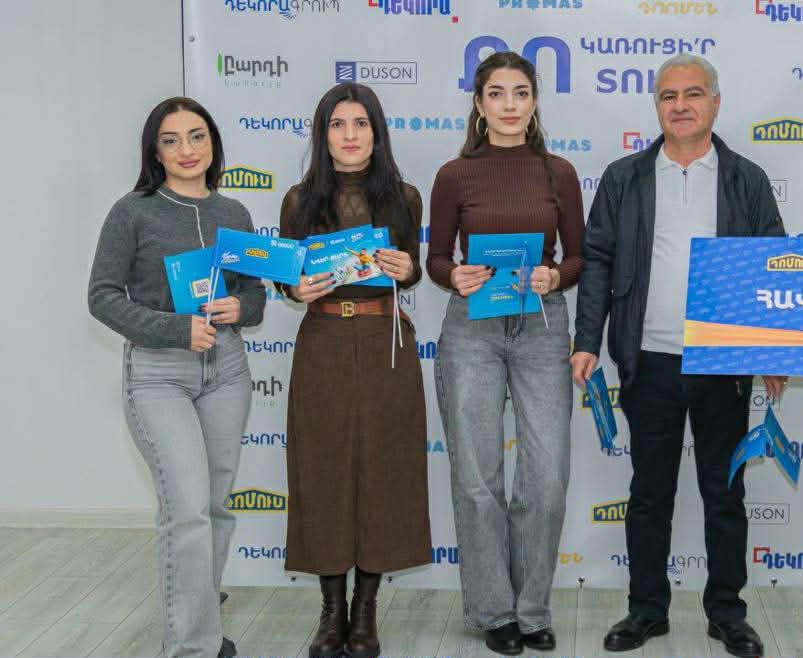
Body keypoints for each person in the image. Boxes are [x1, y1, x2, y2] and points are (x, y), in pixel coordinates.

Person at [571, 53, 787, 658]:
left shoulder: (746, 178)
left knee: (725, 494)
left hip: (724, 362)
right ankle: (647, 610)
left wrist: (774, 347)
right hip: (650, 360)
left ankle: (727, 614)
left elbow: (774, 265)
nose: (681, 105)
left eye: (693, 94)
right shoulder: (624, 178)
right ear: (657, 106)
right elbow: (598, 261)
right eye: (669, 96)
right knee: (649, 494)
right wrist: (586, 341)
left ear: (716, 102)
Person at [88, 97, 265, 658]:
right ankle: (191, 648)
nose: (186, 150)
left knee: (214, 507)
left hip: (227, 370)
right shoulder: (132, 211)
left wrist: (242, 307)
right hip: (159, 374)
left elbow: (255, 292)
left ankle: (202, 627)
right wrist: (174, 328)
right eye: (171, 140)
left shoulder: (234, 212)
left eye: (197, 136)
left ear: (213, 143)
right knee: (186, 511)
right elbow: (102, 297)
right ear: (155, 151)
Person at [427, 51, 585, 656]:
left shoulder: (559, 173)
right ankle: (494, 612)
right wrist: (454, 274)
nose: (509, 105)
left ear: (535, 101)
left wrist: (556, 276)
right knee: (476, 479)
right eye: (497, 93)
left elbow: (577, 256)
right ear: (479, 104)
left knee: (546, 479)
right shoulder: (454, 175)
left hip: (542, 325)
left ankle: (532, 610)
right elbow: (436, 259)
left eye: (520, 92)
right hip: (472, 328)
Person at [278, 82, 429, 658]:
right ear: (322, 135)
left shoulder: (405, 197)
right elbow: (287, 280)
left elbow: (413, 271)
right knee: (322, 472)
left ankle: (366, 613)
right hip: (323, 341)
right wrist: (294, 288)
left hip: (385, 339)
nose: (349, 135)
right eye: (337, 124)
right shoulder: (299, 200)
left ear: (376, 132)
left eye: (360, 124)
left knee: (384, 471)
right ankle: (331, 612)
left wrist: (407, 268)